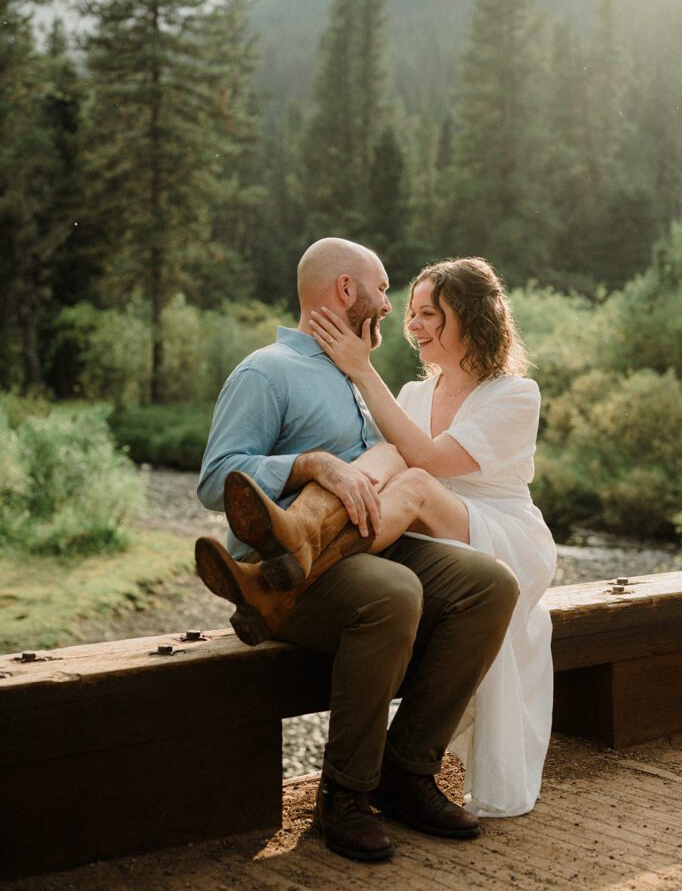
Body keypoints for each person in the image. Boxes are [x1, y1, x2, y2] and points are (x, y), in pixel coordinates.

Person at [196, 237, 519, 863]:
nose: (389, 300)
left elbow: (401, 456)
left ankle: (407, 771)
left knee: (490, 583)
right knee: (395, 594)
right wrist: (311, 465)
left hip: (370, 544)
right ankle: (344, 794)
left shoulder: (357, 369)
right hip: (299, 575)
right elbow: (216, 479)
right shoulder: (265, 371)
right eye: (381, 284)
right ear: (346, 290)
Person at [308, 255, 557, 819]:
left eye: (429, 314)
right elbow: (392, 454)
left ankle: (311, 565)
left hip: (506, 535)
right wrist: (334, 474)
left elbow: (429, 462)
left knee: (414, 477)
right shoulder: (416, 395)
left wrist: (359, 369)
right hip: (431, 529)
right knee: (377, 464)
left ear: (469, 319)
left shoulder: (516, 395)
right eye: (412, 312)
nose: (412, 325)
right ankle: (299, 533)